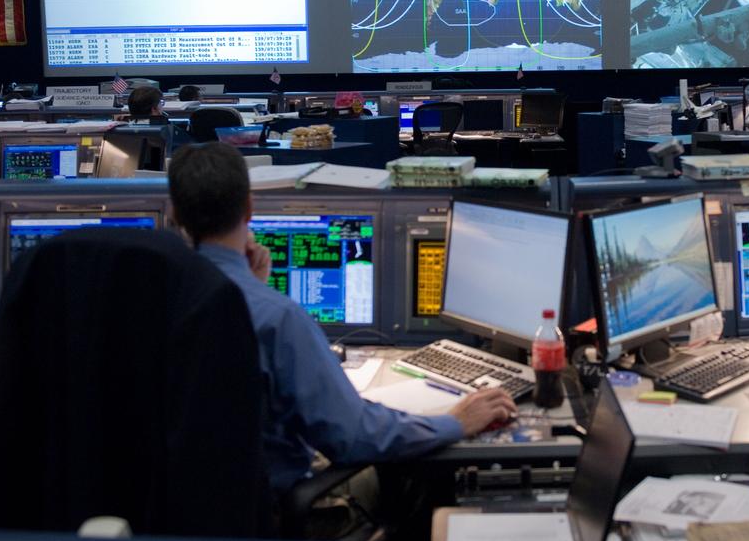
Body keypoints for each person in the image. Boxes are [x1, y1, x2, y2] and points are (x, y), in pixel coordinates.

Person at [167, 142, 516, 497]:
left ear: (174, 214)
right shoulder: (277, 317)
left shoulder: (154, 302)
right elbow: (354, 437)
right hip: (268, 508)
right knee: (406, 486)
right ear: (249, 208)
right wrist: (455, 422)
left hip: (168, 511)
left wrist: (253, 285)